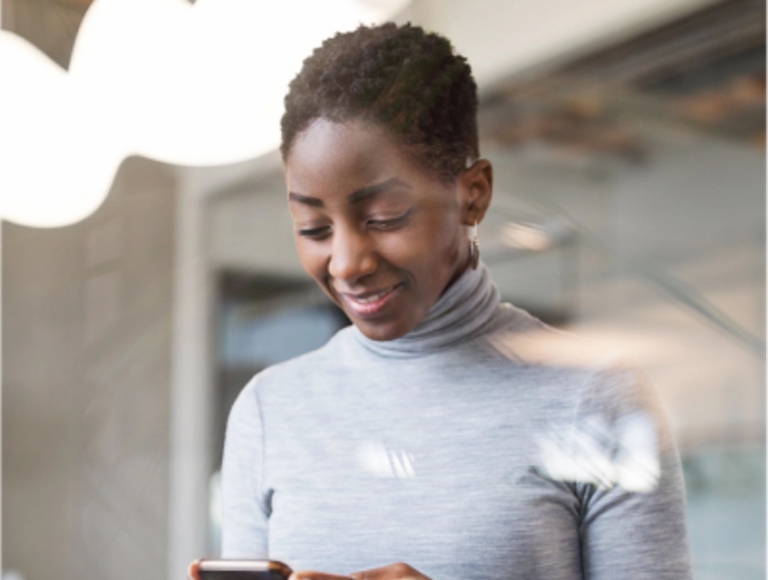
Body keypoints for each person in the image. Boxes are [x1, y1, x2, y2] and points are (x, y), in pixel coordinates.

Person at [221, 23, 692, 580]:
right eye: (314, 227)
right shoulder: (270, 410)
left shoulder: (595, 394)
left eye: (385, 219)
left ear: (474, 194)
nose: (347, 263)